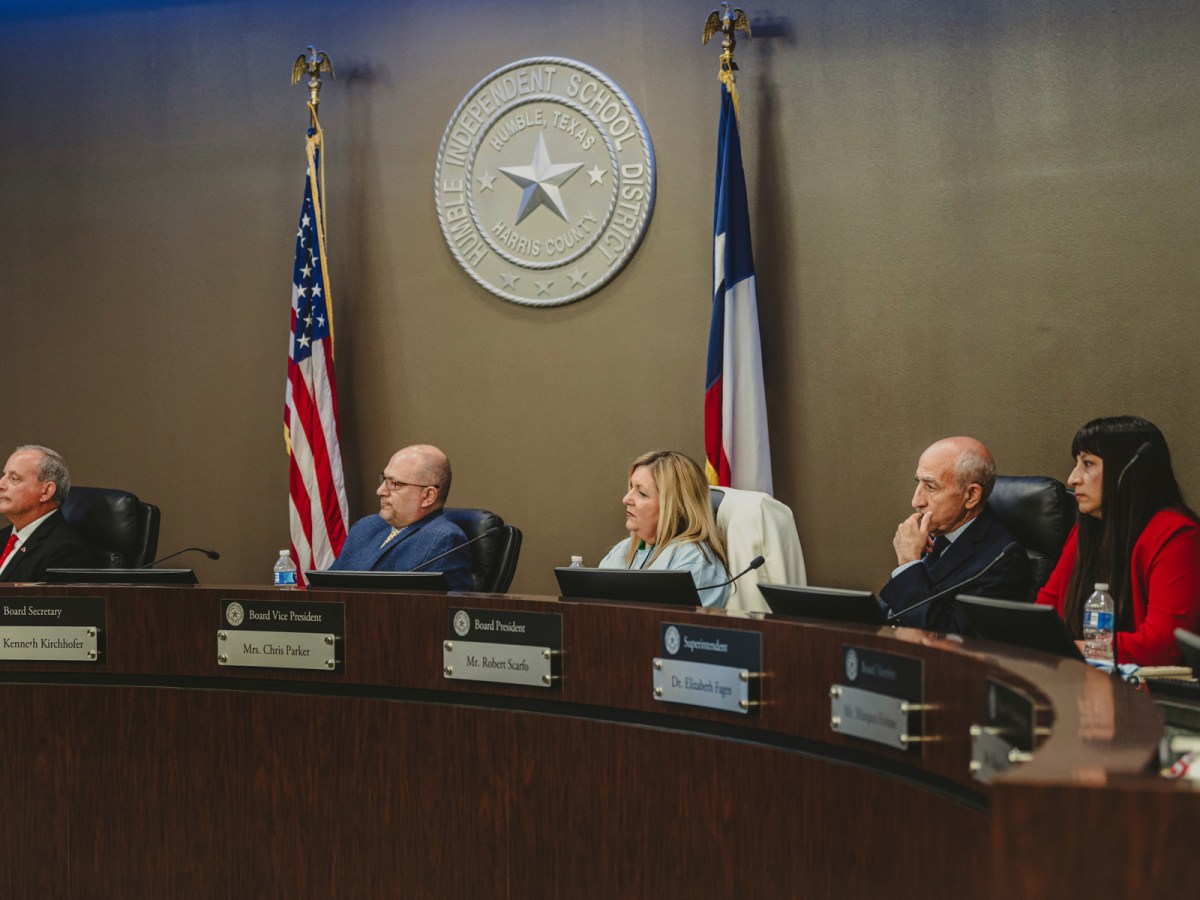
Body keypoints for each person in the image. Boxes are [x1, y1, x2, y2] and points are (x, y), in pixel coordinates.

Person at [1036, 416, 1200, 666]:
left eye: (1088, 464)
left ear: (1128, 471)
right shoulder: (1084, 533)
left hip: (1151, 694)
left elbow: (1164, 646)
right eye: (1076, 463)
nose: (1072, 478)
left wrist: (1074, 649)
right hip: (1084, 681)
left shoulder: (1176, 534)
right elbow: (1043, 617)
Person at [879, 436, 1032, 632]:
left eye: (930, 486)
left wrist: (909, 564)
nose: (916, 501)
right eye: (918, 482)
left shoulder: (1002, 560)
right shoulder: (929, 537)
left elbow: (947, 636)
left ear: (971, 496)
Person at [599, 450, 731, 608]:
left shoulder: (694, 561)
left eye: (641, 493)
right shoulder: (621, 550)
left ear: (675, 507)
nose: (626, 499)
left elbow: (681, 630)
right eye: (631, 488)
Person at [329, 444, 472, 590]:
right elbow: (322, 589)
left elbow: (442, 609)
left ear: (428, 496)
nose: (380, 491)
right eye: (384, 480)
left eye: (395, 484)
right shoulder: (365, 527)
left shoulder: (444, 539)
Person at [0, 445, 94, 582]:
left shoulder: (66, 551)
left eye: (14, 478)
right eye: (4, 475)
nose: (1, 484)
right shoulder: (4, 536)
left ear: (46, 492)